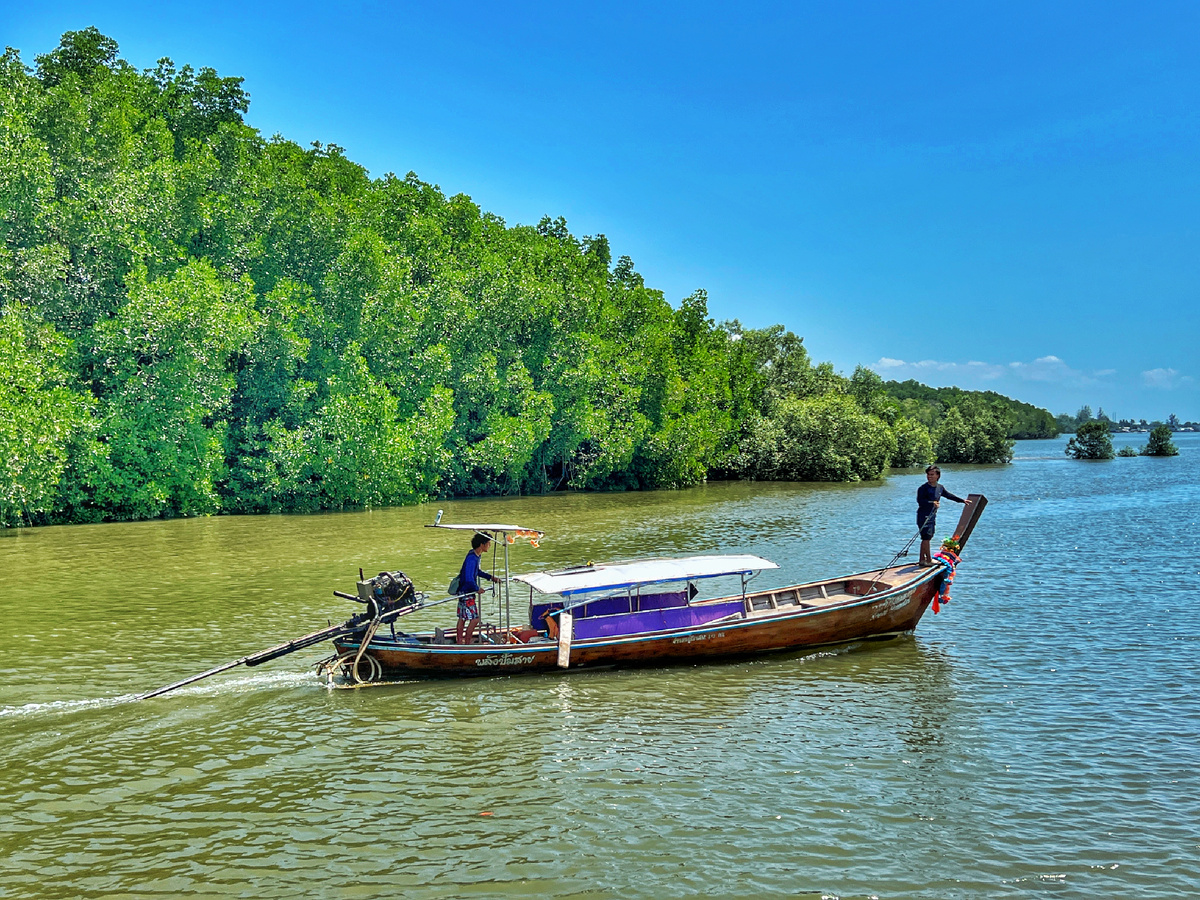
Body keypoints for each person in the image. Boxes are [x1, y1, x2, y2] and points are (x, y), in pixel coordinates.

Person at [916, 465, 969, 567]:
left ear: (938, 475)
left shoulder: (940, 487)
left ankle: (922, 560)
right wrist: (932, 503)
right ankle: (929, 559)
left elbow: (949, 495)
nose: (929, 477)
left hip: (932, 517)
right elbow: (920, 501)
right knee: (926, 538)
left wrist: (962, 500)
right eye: (928, 475)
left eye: (932, 475)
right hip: (923, 516)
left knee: (927, 538)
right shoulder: (923, 488)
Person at [456, 533, 499, 644]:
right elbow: (469, 578)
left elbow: (477, 572)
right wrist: (477, 588)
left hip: (465, 589)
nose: (489, 545)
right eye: (488, 543)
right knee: (475, 619)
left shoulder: (476, 555)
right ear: (482, 544)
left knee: (462, 617)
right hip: (467, 591)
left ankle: (460, 641)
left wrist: (490, 577)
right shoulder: (472, 558)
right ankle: (466, 643)